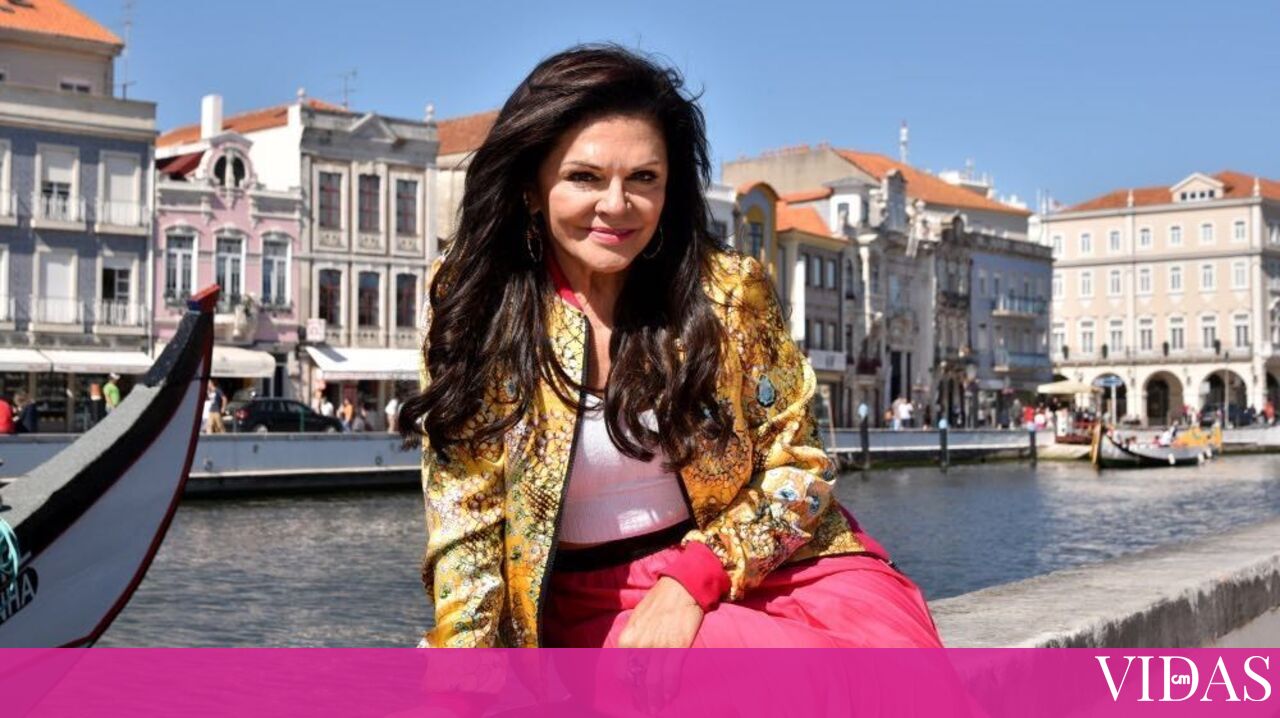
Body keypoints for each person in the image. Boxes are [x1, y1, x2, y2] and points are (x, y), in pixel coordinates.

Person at [400, 45, 940, 649]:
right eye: (584, 177)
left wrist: (693, 578)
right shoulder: (478, 301)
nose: (616, 205)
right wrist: (467, 675)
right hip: (592, 601)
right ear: (532, 186)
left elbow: (801, 468)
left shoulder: (726, 292)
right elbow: (466, 520)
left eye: (643, 179)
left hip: (764, 566)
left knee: (895, 656)